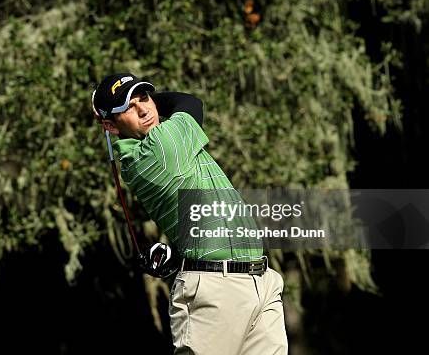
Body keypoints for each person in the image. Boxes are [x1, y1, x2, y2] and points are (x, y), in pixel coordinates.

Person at [91, 73, 288, 355]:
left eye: (144, 98)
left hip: (261, 281)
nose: (144, 109)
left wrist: (123, 105)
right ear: (110, 125)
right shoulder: (156, 150)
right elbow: (188, 102)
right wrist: (151, 102)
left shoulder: (163, 139)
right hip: (216, 291)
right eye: (128, 108)